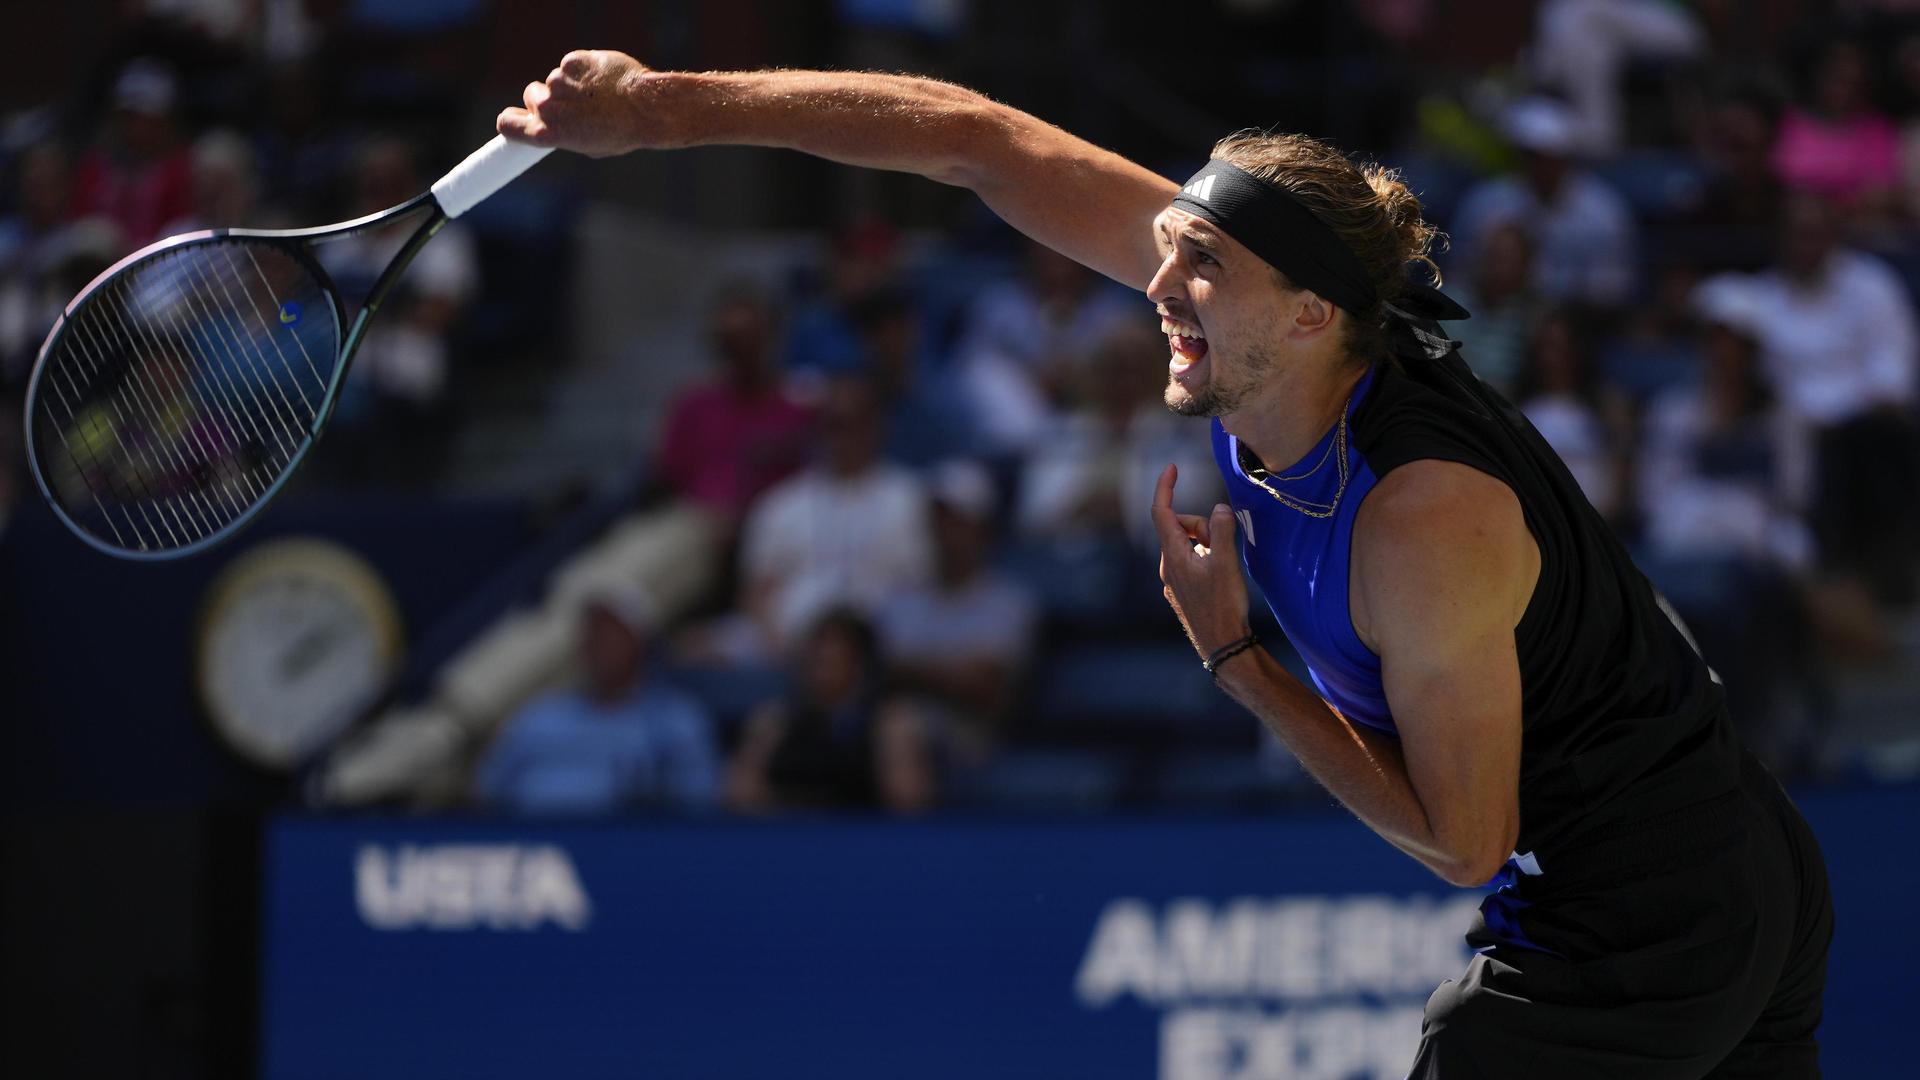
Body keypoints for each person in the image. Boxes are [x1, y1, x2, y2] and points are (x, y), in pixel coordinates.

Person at [496, 51, 1833, 1075]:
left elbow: (1459, 837)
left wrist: (1236, 658)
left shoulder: (1425, 515)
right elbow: (974, 143)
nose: (1158, 282)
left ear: (1310, 314)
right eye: (1171, 246)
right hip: (1722, 866)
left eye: (1201, 264)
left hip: (1644, 926)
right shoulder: (1289, 336)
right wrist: (664, 108)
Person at [475, 585, 720, 816]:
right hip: (536, 850)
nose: (601, 644)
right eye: (593, 633)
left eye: (612, 634)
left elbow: (697, 807)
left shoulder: (675, 721)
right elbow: (488, 794)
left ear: (639, 643)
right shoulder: (538, 717)